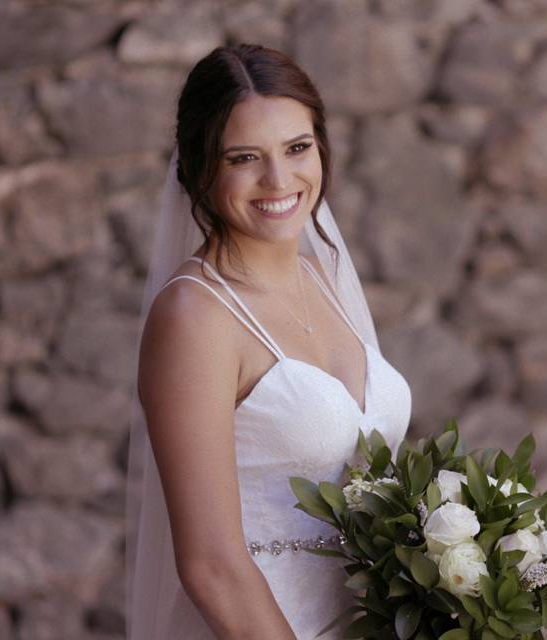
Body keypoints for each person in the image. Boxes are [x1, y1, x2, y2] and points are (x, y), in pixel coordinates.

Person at [124, 44, 413, 638]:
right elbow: (211, 566)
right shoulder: (194, 316)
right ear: (201, 168)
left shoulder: (324, 279)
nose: (279, 180)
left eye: (297, 148)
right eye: (244, 158)